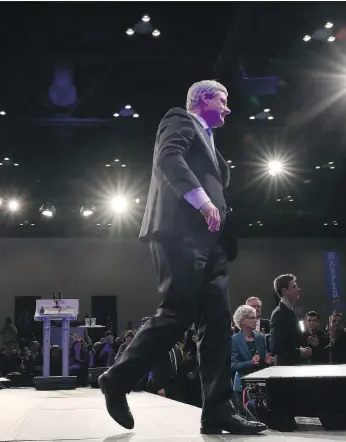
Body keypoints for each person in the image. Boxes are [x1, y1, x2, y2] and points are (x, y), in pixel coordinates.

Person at [98, 80, 265, 435]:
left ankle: (218, 410)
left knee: (219, 322)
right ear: (202, 99)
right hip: (180, 233)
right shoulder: (180, 119)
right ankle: (117, 378)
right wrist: (203, 201)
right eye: (223, 100)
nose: (228, 108)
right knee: (179, 311)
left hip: (213, 244)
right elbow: (168, 157)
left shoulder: (212, 143)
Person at [231, 305, 274, 417]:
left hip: (260, 385)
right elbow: (232, 365)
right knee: (245, 416)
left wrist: (266, 361)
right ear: (242, 321)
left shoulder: (260, 338)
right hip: (242, 386)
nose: (255, 320)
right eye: (251, 318)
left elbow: (262, 363)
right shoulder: (234, 340)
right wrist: (250, 362)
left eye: (254, 317)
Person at [269, 274, 311, 367]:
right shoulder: (279, 314)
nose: (298, 289)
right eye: (294, 286)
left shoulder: (289, 312)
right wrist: (299, 352)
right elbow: (276, 347)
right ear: (284, 291)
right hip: (287, 371)